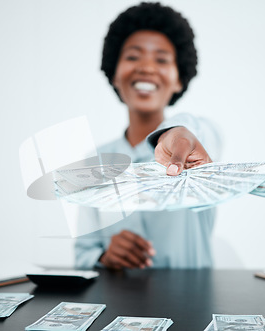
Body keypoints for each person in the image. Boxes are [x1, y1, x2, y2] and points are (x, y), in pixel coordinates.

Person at [74, 2, 221, 269]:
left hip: (191, 302)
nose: (147, 67)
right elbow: (83, 255)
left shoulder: (197, 143)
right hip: (117, 302)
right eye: (132, 57)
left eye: (162, 59)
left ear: (179, 78)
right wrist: (105, 257)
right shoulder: (94, 161)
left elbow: (198, 129)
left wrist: (178, 132)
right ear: (114, 74)